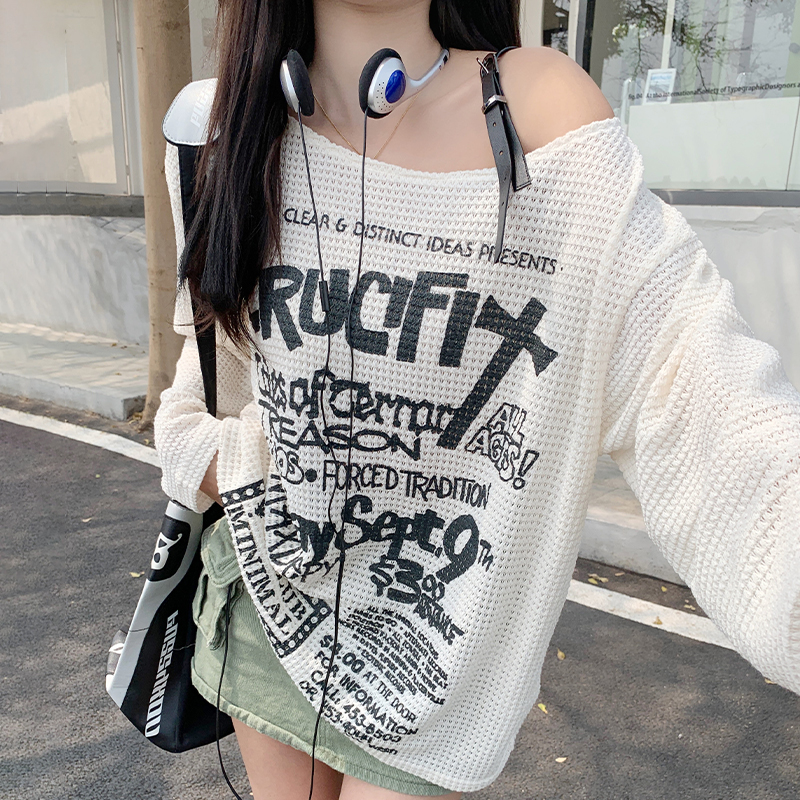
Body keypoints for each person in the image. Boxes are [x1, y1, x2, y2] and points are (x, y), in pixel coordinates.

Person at [154, 1, 800, 798]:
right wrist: (255, 473)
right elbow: (208, 391)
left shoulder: (543, 113)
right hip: (270, 596)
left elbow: (700, 389)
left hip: (438, 652)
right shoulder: (232, 133)